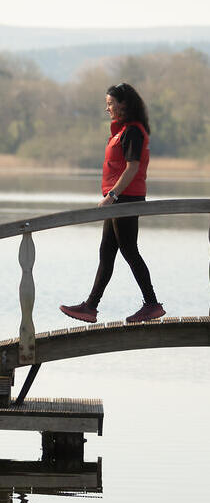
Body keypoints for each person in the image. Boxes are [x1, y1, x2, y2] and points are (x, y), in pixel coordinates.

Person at [60, 82, 165, 324]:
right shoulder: (123, 130)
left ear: (124, 104)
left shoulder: (132, 132)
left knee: (129, 250)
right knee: (107, 253)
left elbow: (133, 168)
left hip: (126, 199)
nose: (107, 108)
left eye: (110, 104)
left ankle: (151, 304)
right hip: (120, 199)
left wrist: (113, 196)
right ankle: (90, 307)